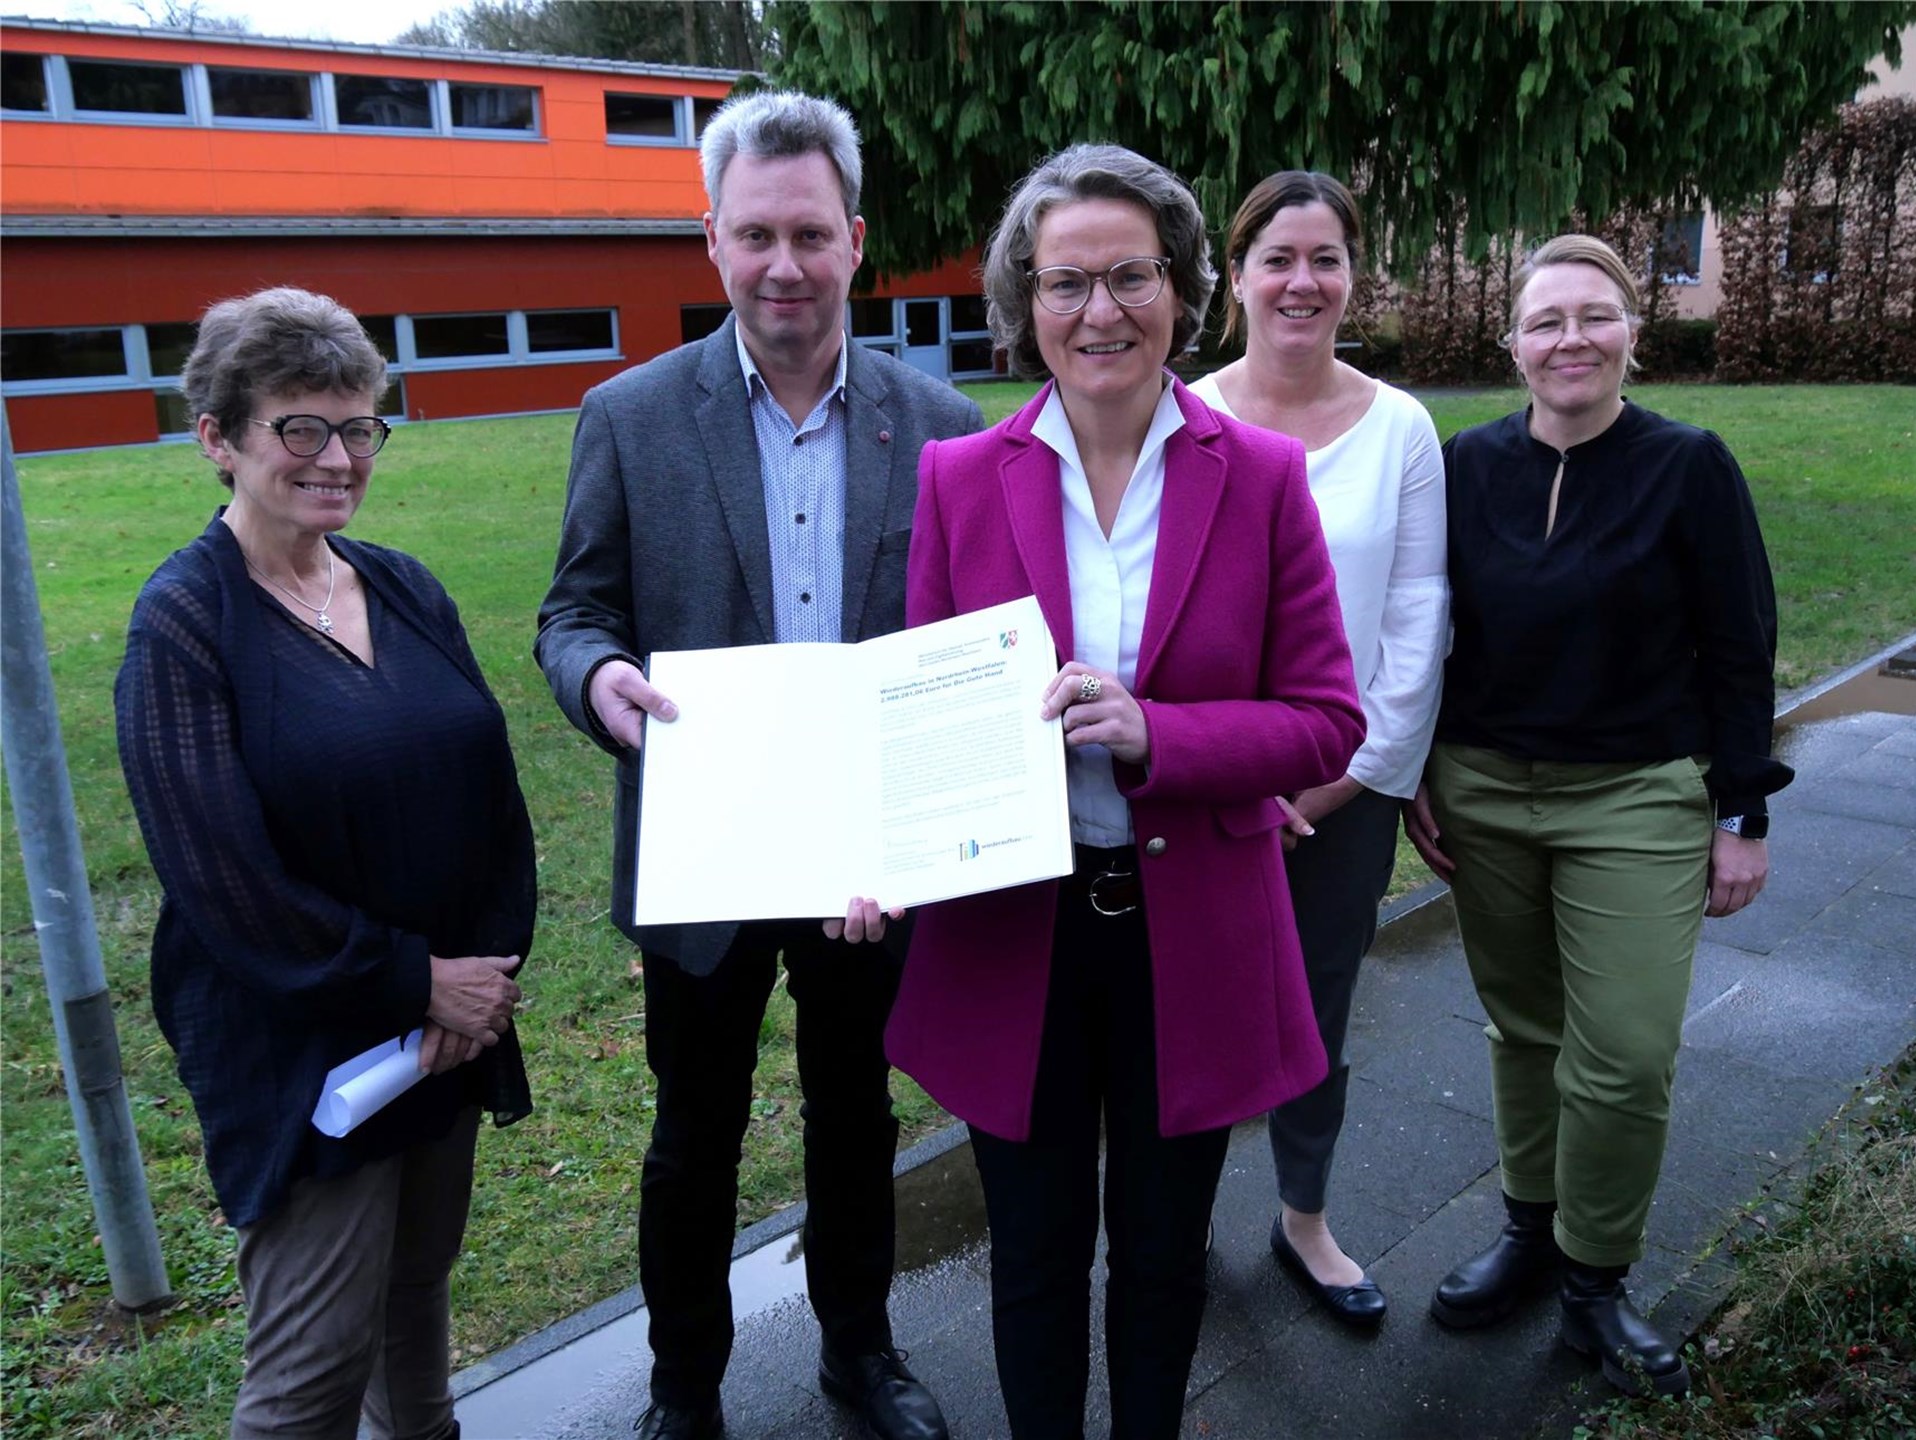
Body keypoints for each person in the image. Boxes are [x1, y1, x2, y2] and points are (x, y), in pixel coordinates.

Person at [881, 144, 1365, 1440]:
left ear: (1183, 287)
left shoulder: (1258, 477)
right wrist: (886, 854)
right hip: (1011, 935)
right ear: (1024, 302)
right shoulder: (958, 480)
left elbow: (1327, 722)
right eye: (1066, 282)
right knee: (1032, 1264)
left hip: (1189, 934)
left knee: (1160, 1263)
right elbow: (923, 719)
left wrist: (1159, 737)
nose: (1100, 311)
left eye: (1131, 276)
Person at [534, 90, 982, 1440]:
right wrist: (598, 682)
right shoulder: (628, 414)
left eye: (809, 233)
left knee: (854, 1118)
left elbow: (965, 635)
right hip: (707, 850)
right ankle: (686, 1389)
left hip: (865, 853)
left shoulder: (945, 422)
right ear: (710, 244)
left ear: (854, 239)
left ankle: (860, 1353)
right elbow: (575, 616)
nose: (783, 264)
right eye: (753, 236)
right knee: (694, 1139)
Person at [115, 286, 535, 1440]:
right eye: (301, 427)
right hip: (304, 1057)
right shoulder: (185, 625)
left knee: (415, 1306)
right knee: (305, 1378)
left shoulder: (400, 584)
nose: (337, 456)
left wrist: (480, 982)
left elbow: (494, 795)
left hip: (445, 1035)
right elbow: (225, 886)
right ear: (219, 437)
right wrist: (415, 983)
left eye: (359, 427)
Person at [1405, 234, 1793, 1397]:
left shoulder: (1689, 465)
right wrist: (1419, 767)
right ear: (1512, 343)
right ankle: (1531, 1234)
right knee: (1523, 1032)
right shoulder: (1466, 464)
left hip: (1635, 797)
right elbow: (1426, 629)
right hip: (1484, 788)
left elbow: (1741, 647)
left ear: (1633, 331)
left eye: (1593, 317)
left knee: (1622, 1055)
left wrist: (1744, 815)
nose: (1569, 340)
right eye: (1545, 322)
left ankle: (1594, 1280)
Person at [1188, 171, 1447, 1329]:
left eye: (1325, 257)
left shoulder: (1401, 429)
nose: (1302, 281)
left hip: (1346, 791)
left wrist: (1345, 779)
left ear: (1352, 274)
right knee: (1180, 1007)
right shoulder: (1179, 412)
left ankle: (1304, 1218)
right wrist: (1221, 767)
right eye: (1277, 258)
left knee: (1316, 1010)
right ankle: (1172, 1216)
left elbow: (1415, 622)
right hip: (1195, 786)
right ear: (1235, 277)